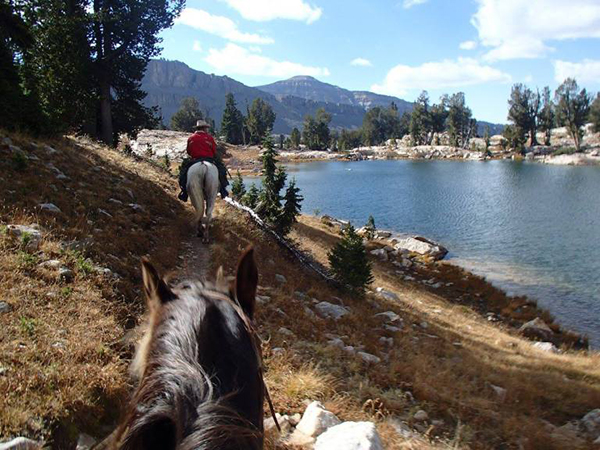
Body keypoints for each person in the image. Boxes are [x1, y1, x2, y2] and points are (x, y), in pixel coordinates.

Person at [178, 120, 229, 202]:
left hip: (195, 159)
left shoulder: (191, 138)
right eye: (207, 128)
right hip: (208, 159)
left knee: (183, 172)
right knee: (221, 170)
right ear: (204, 128)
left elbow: (189, 151)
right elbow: (214, 151)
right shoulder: (209, 138)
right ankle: (223, 190)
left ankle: (184, 192)